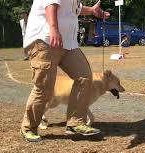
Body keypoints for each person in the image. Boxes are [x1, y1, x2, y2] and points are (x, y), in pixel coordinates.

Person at [20, 0, 110, 142]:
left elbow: (74, 9)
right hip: (45, 39)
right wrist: (54, 29)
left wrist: (92, 10)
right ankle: (28, 128)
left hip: (68, 43)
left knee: (85, 76)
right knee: (45, 86)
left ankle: (75, 124)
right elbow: (51, 5)